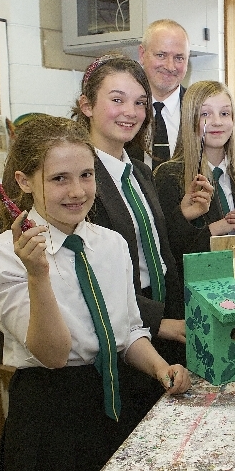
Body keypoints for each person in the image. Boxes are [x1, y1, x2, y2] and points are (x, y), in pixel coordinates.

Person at [0, 115, 191, 471]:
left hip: (113, 407)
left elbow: (126, 334)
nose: (77, 191)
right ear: (25, 181)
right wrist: (38, 275)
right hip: (50, 418)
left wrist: (161, 367)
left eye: (86, 175)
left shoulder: (110, 244)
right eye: (59, 179)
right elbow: (52, 354)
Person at [72, 53, 186, 441]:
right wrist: (157, 322)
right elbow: (91, 279)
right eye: (117, 99)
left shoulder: (137, 171)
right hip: (122, 330)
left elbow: (159, 251)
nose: (131, 112)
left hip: (162, 313)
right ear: (87, 105)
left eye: (139, 102)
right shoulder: (80, 182)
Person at [153, 80, 235, 279]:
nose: (216, 121)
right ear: (190, 120)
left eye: (224, 113)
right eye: (205, 114)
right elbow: (170, 250)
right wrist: (219, 228)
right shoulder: (168, 176)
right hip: (193, 297)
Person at [135, 19, 190, 169]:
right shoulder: (124, 111)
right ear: (142, 54)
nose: (170, 66)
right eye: (161, 55)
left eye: (179, 58)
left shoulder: (201, 111)